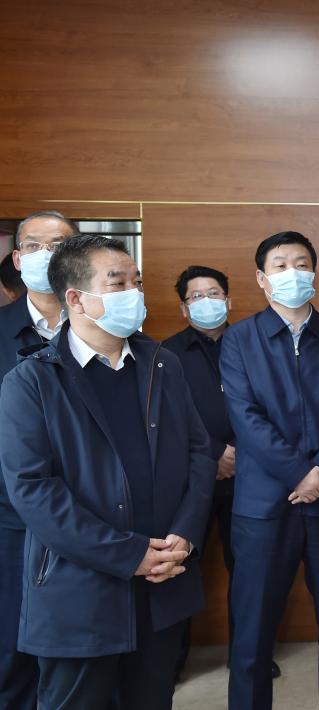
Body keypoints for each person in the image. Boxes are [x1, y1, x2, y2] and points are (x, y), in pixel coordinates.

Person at [0, 234, 215, 709]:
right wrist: (128, 554)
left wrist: (185, 533)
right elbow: (33, 490)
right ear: (76, 298)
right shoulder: (32, 380)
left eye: (137, 282)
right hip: (80, 593)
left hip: (162, 583)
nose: (133, 293)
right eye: (118, 283)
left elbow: (200, 454)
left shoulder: (163, 364)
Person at [221, 231, 319, 709]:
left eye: (301, 263)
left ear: (314, 273)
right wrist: (297, 474)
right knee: (252, 636)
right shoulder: (240, 339)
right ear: (262, 279)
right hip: (263, 508)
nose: (293, 273)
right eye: (280, 265)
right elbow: (245, 417)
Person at [163, 266, 283, 680]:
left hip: (251, 475)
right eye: (196, 296)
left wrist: (240, 453)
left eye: (213, 294)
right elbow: (169, 416)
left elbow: (271, 405)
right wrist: (215, 454)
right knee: (180, 567)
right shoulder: (166, 353)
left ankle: (249, 655)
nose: (206, 302)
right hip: (191, 480)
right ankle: (172, 660)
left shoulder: (253, 343)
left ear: (229, 300)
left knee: (251, 569)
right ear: (183, 308)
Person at [0, 210, 78, 710]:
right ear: (17, 258)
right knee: (11, 649)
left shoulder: (103, 325)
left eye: (59, 245)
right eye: (34, 245)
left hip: (88, 516)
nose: (46, 256)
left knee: (81, 654)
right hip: (10, 517)